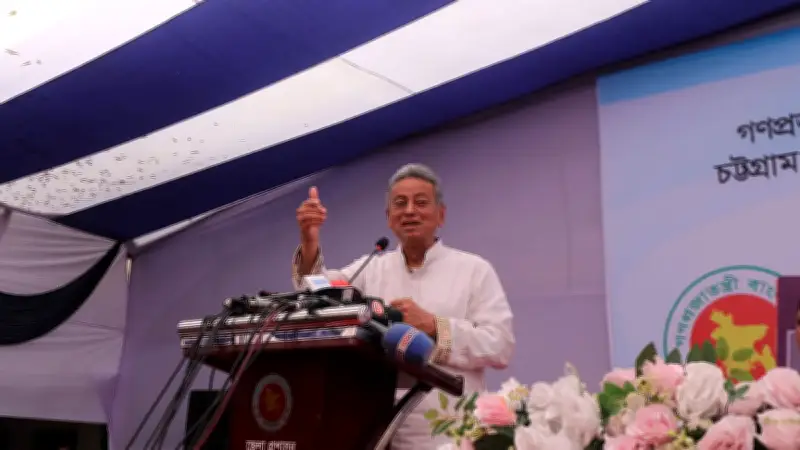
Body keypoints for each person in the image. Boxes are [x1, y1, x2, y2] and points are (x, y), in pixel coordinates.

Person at [292, 163, 515, 449]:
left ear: (441, 215)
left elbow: (500, 345)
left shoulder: (474, 270)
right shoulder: (372, 268)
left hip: (456, 434)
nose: (410, 211)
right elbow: (317, 293)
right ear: (389, 218)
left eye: (420, 202)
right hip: (383, 432)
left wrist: (435, 327)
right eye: (400, 203)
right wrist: (309, 240)